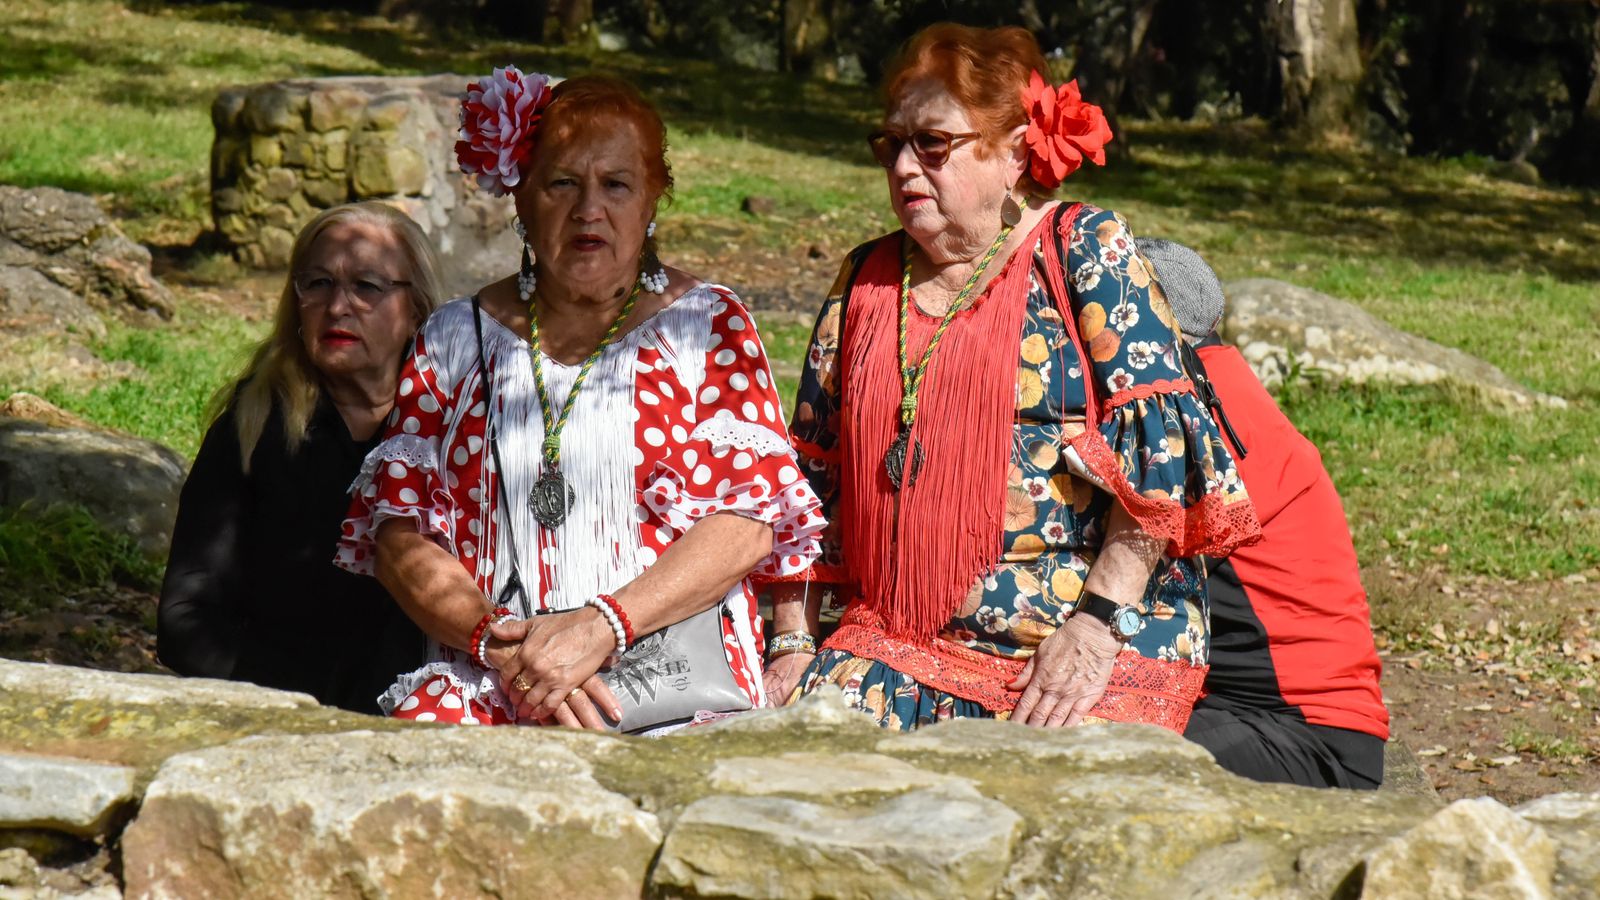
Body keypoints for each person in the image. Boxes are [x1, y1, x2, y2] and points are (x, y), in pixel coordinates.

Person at [764, 23, 1261, 732]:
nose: (904, 166)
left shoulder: (1085, 249)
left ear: (1014, 152)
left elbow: (1165, 460)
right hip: (892, 639)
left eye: (932, 144)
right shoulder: (865, 278)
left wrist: (1092, 627)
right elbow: (812, 481)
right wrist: (790, 641)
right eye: (890, 144)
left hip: (1079, 644)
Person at [335, 71, 823, 729]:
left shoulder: (708, 327)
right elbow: (400, 535)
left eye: (616, 185)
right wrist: (507, 650)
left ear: (653, 199)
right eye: (562, 183)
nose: (588, 209)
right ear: (523, 200)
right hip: (495, 671)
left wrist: (602, 628)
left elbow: (746, 523)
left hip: (669, 669)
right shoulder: (453, 338)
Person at [158, 202, 442, 713]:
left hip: (427, 720)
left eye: (367, 286)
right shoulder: (254, 425)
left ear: (416, 309)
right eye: (316, 284)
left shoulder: (454, 429)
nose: (338, 307)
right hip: (280, 714)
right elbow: (185, 616)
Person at [1136, 237, 1389, 788]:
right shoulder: (1224, 386)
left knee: (1094, 760)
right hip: (1275, 722)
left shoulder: (1193, 416)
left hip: (1304, 740)